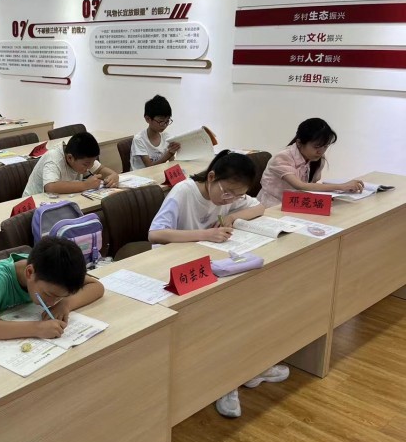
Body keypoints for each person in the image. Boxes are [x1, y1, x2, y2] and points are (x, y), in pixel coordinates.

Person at [148, 150, 283, 419]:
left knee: (249, 297)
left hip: (206, 261)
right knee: (225, 312)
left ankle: (246, 366)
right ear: (211, 177)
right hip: (172, 268)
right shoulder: (184, 192)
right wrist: (206, 233)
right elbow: (156, 233)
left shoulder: (226, 195)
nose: (229, 199)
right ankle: (226, 381)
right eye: (227, 192)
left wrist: (231, 217)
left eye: (237, 195)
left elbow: (258, 207)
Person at [0, 237, 105, 340]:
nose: (52, 303)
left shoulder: (57, 271)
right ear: (29, 273)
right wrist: (37, 329)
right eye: (49, 294)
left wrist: (65, 304)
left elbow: (97, 286)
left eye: (60, 297)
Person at [257, 118, 364, 207]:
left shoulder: (317, 159)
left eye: (325, 146)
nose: (321, 151)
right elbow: (301, 186)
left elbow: (311, 186)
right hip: (271, 207)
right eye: (316, 147)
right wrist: (341, 186)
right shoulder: (282, 157)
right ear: (299, 143)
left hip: (297, 204)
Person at [22, 131, 120, 197]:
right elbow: (50, 187)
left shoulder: (82, 157)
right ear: (70, 158)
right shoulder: (53, 158)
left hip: (61, 199)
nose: (89, 167)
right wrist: (85, 185)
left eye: (92, 163)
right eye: (86, 164)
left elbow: (100, 169)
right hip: (35, 203)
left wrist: (114, 175)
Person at [130, 94, 181, 169]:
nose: (164, 125)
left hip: (158, 172)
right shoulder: (139, 139)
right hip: (142, 174)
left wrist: (174, 152)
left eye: (167, 121)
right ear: (148, 119)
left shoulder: (166, 137)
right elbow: (149, 167)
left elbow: (171, 163)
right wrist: (169, 153)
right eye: (161, 121)